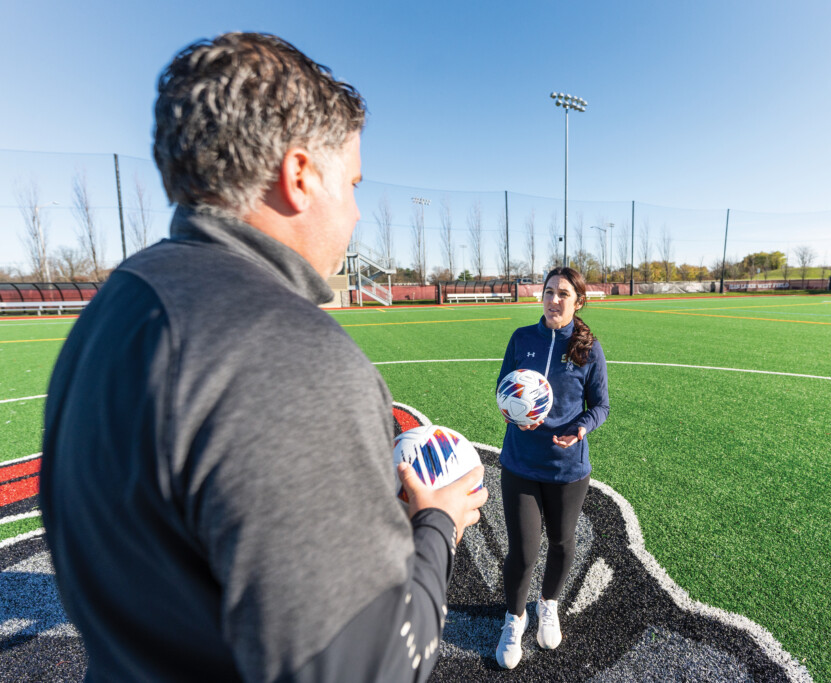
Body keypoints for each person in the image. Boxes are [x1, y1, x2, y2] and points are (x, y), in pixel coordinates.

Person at [39, 33, 486, 683]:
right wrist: (438, 524)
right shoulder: (290, 355)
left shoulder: (121, 301)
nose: (358, 211)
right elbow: (367, 668)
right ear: (300, 175)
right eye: (353, 181)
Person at [494, 266, 610, 669]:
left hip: (567, 468)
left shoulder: (589, 348)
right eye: (548, 292)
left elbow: (600, 406)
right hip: (520, 464)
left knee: (561, 542)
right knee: (523, 551)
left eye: (563, 293)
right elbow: (502, 385)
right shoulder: (521, 338)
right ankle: (514, 619)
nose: (553, 300)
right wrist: (509, 409)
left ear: (578, 302)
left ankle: (548, 605)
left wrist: (580, 429)